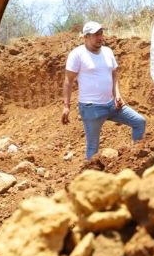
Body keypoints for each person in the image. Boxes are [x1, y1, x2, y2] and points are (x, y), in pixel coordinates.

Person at [61, 21, 146, 159]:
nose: (100, 37)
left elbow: (114, 74)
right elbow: (68, 81)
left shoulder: (108, 51)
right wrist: (66, 106)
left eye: (101, 33)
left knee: (139, 122)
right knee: (93, 147)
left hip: (112, 104)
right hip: (91, 108)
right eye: (96, 34)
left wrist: (117, 95)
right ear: (86, 37)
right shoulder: (77, 54)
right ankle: (91, 177)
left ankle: (136, 159)